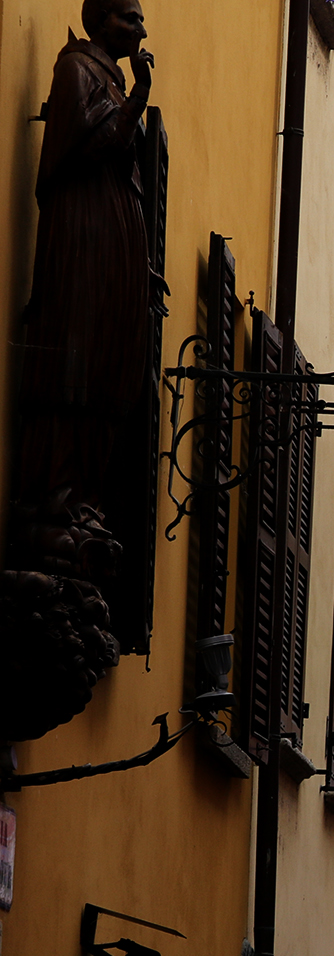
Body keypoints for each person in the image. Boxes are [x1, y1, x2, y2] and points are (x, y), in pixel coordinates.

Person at [15, 0, 155, 581]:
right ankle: (59, 493)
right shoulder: (76, 70)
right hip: (85, 240)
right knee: (76, 363)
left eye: (140, 19)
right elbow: (94, 147)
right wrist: (139, 97)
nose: (140, 29)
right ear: (97, 20)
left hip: (113, 245)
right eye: (129, 17)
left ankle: (87, 501)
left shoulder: (109, 79)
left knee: (106, 370)